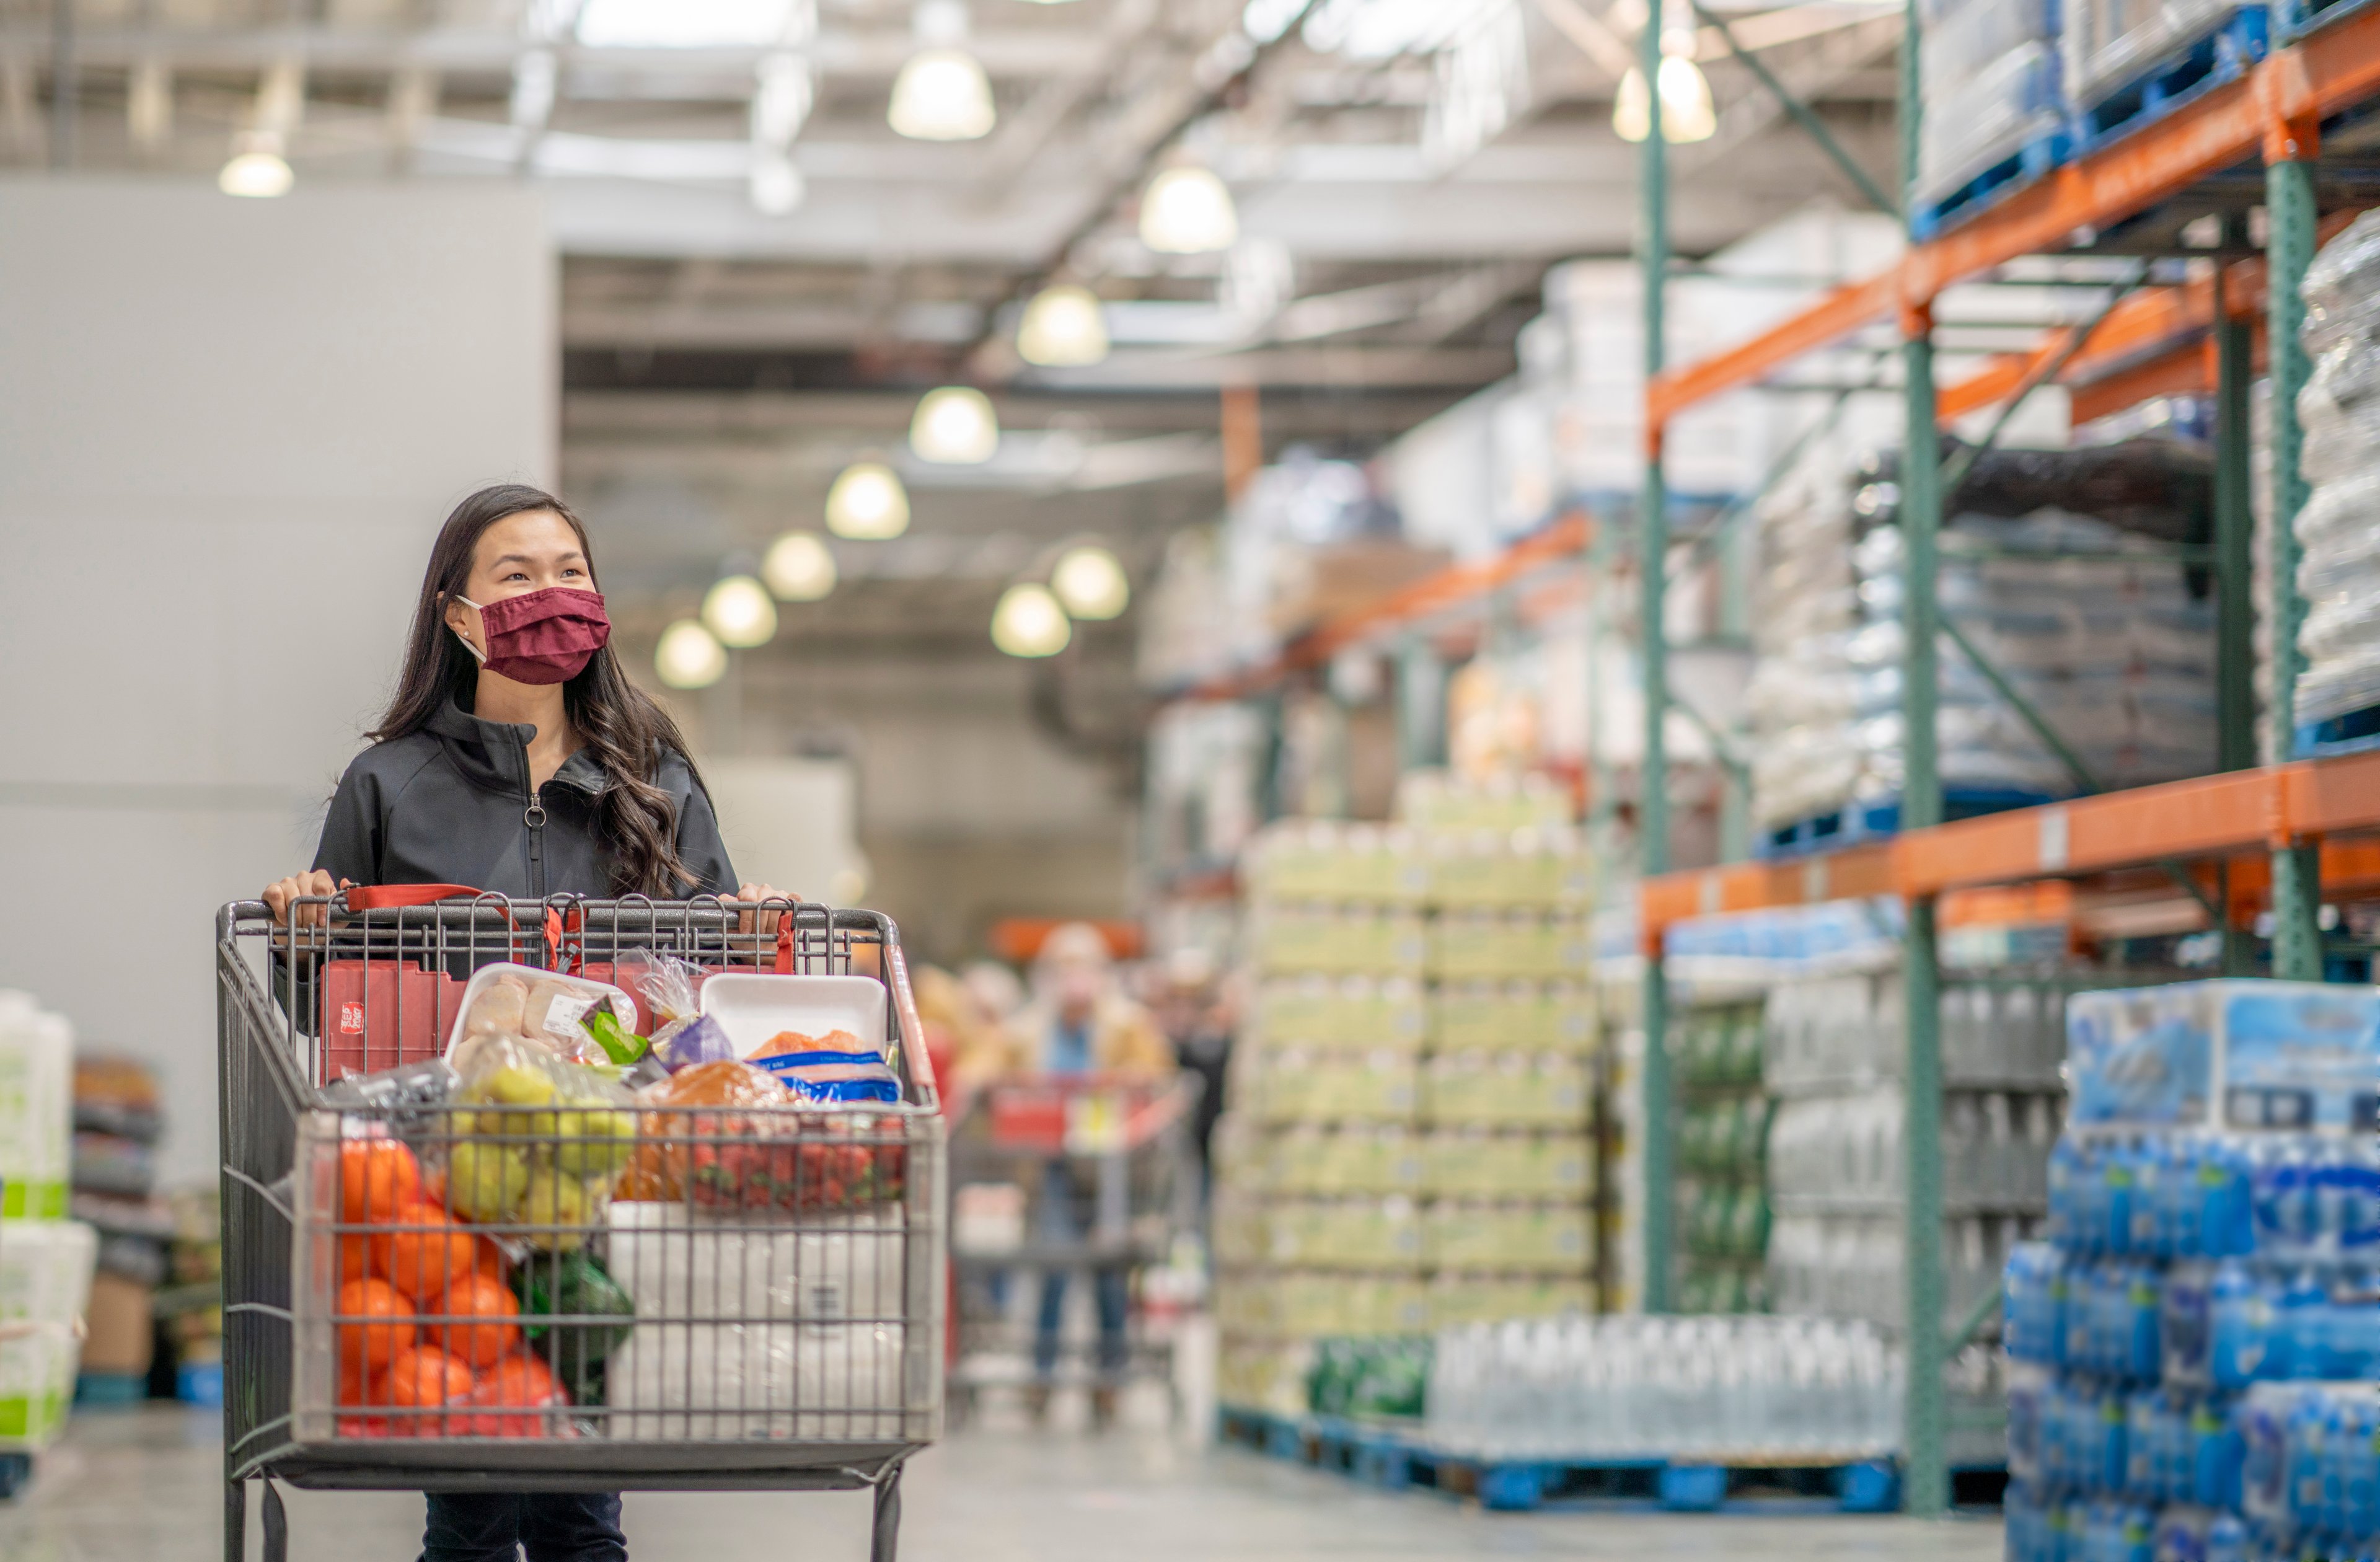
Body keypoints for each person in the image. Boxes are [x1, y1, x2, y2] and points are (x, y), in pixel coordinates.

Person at [262, 483, 783, 1562]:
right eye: (518, 576)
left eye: (571, 573)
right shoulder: (388, 784)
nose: (553, 595)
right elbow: (320, 998)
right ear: (459, 615)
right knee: (472, 1486)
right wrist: (304, 928)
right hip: (440, 1189)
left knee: (581, 1495)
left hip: (608, 1167)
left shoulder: (655, 776)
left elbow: (708, 978)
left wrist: (741, 930)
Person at [993, 924, 1171, 1426]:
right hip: (1053, 1164)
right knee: (1053, 1266)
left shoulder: (1130, 1025)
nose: (1074, 978)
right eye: (1063, 966)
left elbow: (1156, 1073)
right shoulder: (1027, 1028)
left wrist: (1133, 1082)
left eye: (1083, 966)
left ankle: (1108, 1381)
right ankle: (1042, 1378)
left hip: (1115, 1168)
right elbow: (993, 1069)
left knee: (1111, 1274)